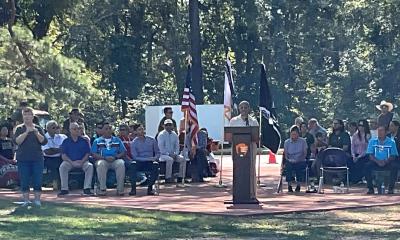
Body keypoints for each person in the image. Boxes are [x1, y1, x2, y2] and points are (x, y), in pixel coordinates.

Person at [13, 107, 48, 206]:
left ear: (32, 116)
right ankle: (26, 200)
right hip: (23, 159)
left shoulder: (38, 128)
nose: (27, 117)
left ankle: (37, 200)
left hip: (37, 158)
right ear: (23, 116)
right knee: (24, 180)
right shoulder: (19, 128)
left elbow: (43, 141)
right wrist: (27, 132)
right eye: (25, 114)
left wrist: (36, 132)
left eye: (29, 114)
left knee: (37, 179)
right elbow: (17, 141)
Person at [229, 101, 258, 197]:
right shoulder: (233, 121)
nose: (244, 109)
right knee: (238, 169)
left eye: (245, 107)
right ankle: (237, 193)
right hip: (237, 148)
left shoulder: (253, 121)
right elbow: (229, 135)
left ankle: (252, 193)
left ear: (249, 109)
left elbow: (257, 135)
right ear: (239, 109)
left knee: (251, 170)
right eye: (242, 107)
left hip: (250, 148)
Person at [58, 122, 94, 196]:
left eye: (78, 128)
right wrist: (72, 162)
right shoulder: (66, 141)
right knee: (63, 166)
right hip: (70, 162)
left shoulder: (84, 141)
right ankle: (64, 189)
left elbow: (88, 154)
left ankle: (87, 188)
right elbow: (63, 155)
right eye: (74, 129)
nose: (77, 130)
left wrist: (82, 161)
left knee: (90, 166)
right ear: (70, 130)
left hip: (82, 161)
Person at [91, 122, 126, 196]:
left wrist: (116, 157)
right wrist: (104, 157)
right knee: (101, 164)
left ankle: (120, 189)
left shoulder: (117, 140)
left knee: (121, 163)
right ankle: (102, 188)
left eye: (110, 128)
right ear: (102, 130)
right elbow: (93, 153)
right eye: (106, 129)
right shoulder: (97, 141)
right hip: (102, 160)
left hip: (115, 160)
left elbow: (123, 151)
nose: (108, 130)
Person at [365, 125, 399, 194]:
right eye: (378, 131)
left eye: (381, 131)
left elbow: (393, 155)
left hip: (387, 162)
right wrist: (378, 161)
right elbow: (370, 155)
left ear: (386, 132)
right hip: (375, 162)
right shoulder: (372, 141)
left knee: (395, 166)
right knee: (366, 166)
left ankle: (390, 188)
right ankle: (370, 188)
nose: (379, 132)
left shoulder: (391, 142)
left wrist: (385, 161)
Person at [129, 124, 160, 195]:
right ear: (135, 132)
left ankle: (150, 187)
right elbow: (135, 157)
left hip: (150, 162)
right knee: (132, 166)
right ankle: (133, 188)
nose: (142, 131)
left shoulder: (152, 140)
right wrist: (146, 159)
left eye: (142, 129)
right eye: (139, 129)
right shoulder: (134, 143)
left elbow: (157, 152)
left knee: (156, 166)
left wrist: (155, 158)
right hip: (140, 162)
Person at [157, 119, 186, 183]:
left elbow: (177, 146)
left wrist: (176, 154)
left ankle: (181, 177)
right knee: (170, 159)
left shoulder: (174, 134)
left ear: (172, 126)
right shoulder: (161, 135)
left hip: (174, 154)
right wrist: (169, 154)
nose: (168, 126)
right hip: (163, 155)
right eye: (167, 125)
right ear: (164, 126)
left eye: (170, 125)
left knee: (183, 159)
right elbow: (161, 148)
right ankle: (168, 178)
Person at [42, 120, 67, 190]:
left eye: (57, 127)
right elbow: (47, 151)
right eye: (53, 128)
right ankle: (55, 183)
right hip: (48, 158)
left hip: (62, 157)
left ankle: (66, 184)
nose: (56, 129)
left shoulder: (63, 137)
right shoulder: (44, 138)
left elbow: (68, 148)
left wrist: (54, 149)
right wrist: (60, 149)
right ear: (48, 129)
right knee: (54, 165)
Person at [284, 126, 308, 192]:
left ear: (298, 134)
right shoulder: (287, 142)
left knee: (300, 166)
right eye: (292, 134)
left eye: (295, 134)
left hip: (300, 159)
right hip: (290, 160)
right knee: (288, 166)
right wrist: (289, 160)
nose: (293, 136)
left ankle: (298, 185)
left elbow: (304, 153)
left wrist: (299, 159)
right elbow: (286, 155)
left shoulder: (303, 141)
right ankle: (289, 185)